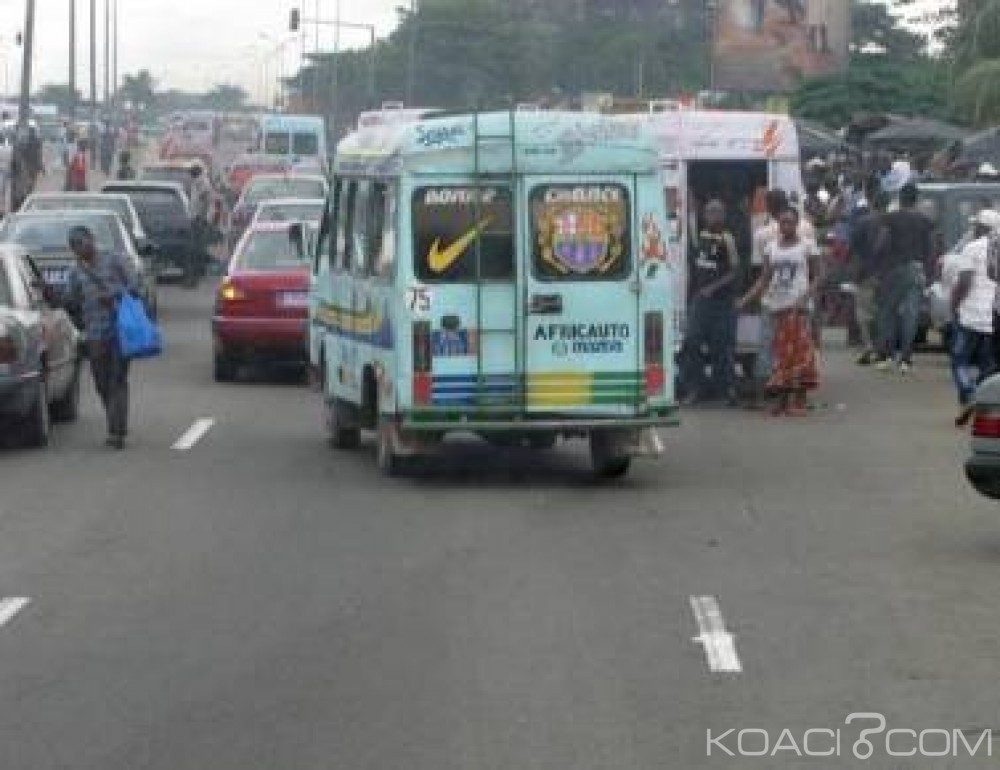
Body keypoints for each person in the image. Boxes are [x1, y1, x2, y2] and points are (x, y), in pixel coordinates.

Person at [57, 225, 139, 449]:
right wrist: (49, 293)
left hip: (121, 330)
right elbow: (69, 300)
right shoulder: (76, 272)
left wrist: (113, 295)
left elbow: (134, 285)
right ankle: (115, 420)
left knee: (118, 379)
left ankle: (117, 430)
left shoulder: (115, 260)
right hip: (95, 334)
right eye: (74, 246)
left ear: (92, 239)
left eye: (81, 243)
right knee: (101, 383)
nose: (79, 249)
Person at [740, 207, 822, 416]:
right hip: (774, 305)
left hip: (798, 307)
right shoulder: (770, 248)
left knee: (800, 354)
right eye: (783, 222)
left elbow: (819, 275)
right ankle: (781, 400)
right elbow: (765, 278)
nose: (786, 226)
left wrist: (806, 296)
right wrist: (745, 299)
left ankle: (799, 400)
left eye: (790, 222)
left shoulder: (807, 246)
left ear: (797, 224)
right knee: (779, 355)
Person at [680, 199, 739, 406]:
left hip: (722, 302)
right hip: (700, 301)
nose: (713, 215)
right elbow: (689, 217)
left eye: (717, 212)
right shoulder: (700, 236)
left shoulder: (728, 238)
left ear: (723, 215)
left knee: (721, 347)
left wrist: (713, 288)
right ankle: (695, 388)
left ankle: (724, 391)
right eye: (709, 211)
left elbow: (734, 270)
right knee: (691, 342)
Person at [874, 181, 934, 374]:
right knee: (911, 316)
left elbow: (882, 243)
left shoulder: (889, 219)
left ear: (900, 199)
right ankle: (906, 360)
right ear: (916, 200)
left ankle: (887, 356)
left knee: (887, 313)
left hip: (894, 269)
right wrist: (929, 273)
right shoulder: (925, 221)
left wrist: (878, 263)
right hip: (916, 269)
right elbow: (931, 249)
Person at [951, 210, 1000, 426]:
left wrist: (954, 304)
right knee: (987, 365)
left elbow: (964, 282)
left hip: (971, 314)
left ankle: (970, 394)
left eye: (976, 226)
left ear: (982, 228)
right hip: (992, 316)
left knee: (959, 359)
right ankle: (983, 401)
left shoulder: (972, 248)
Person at [188, 163, 213, 287]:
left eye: (191, 173)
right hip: (196, 218)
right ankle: (194, 278)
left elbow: (205, 201)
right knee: (195, 250)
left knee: (195, 250)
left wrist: (201, 218)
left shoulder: (202, 182)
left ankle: (195, 279)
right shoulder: (197, 182)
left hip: (198, 220)